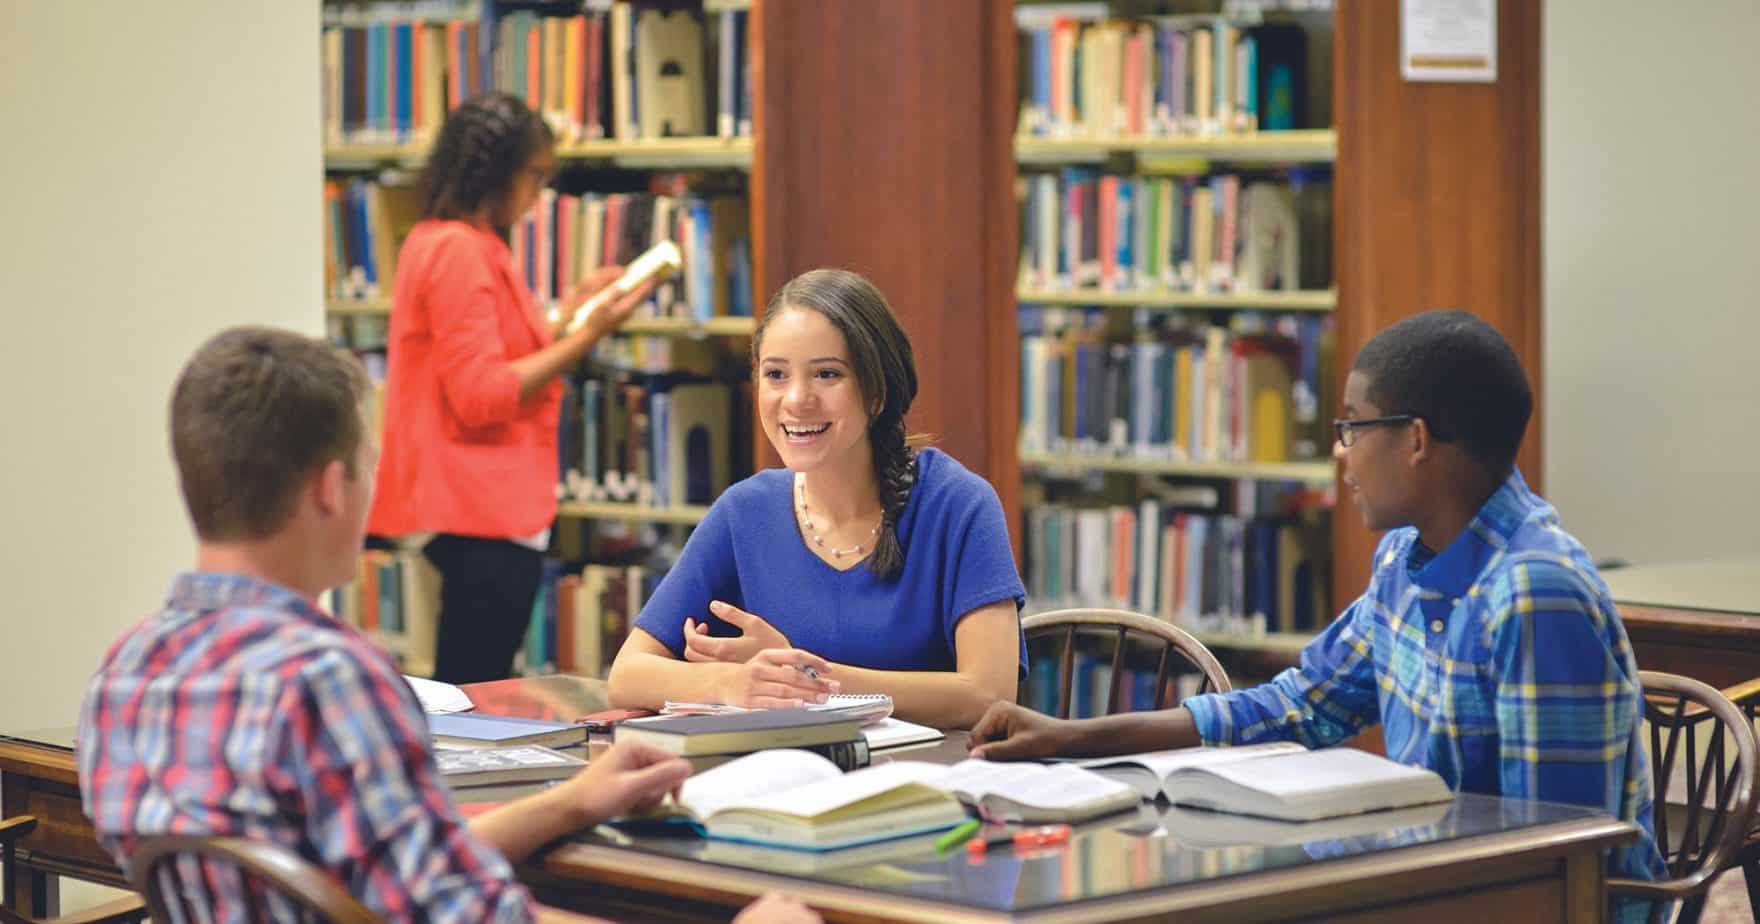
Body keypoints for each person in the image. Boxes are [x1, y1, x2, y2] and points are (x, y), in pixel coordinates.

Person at [78, 327, 816, 923]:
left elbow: (372, 871)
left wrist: (570, 802)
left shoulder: (126, 672)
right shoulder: (331, 680)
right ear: (332, 488)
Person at [967, 310, 1667, 918]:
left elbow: (1558, 856)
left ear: (1417, 440)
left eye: (1353, 427)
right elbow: (1304, 706)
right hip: (1440, 887)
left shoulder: (1533, 594)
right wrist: (1073, 737)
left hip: (1511, 903)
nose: (1339, 451)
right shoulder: (1404, 558)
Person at [605, 269, 1026, 728]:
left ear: (877, 390)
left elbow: (989, 694)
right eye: (776, 374)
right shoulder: (743, 512)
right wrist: (732, 682)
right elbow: (628, 674)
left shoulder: (959, 505)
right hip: (786, 785)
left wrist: (806, 679)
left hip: (924, 785)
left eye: (827, 374)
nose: (796, 399)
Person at [368, 93, 655, 684]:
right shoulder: (458, 251)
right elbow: (482, 395)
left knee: (476, 681)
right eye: (535, 176)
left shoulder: (452, 243)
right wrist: (587, 338)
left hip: (477, 502)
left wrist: (575, 313)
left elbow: (496, 354)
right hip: (479, 503)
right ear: (496, 173)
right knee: (476, 685)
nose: (537, 195)